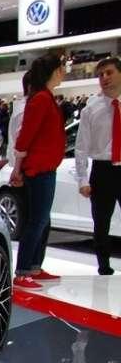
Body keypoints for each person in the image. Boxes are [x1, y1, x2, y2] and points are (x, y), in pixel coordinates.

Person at [11, 54, 67, 289]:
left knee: (43, 220)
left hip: (45, 167)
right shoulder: (41, 99)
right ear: (54, 70)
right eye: (62, 68)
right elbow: (26, 135)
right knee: (37, 220)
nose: (64, 72)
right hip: (39, 168)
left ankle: (34, 266)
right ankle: (23, 271)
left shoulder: (45, 97)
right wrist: (18, 168)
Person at [75, 57, 121, 275]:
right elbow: (81, 147)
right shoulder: (91, 109)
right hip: (102, 171)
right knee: (101, 222)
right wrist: (82, 179)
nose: (104, 78)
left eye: (109, 73)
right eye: (101, 75)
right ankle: (104, 266)